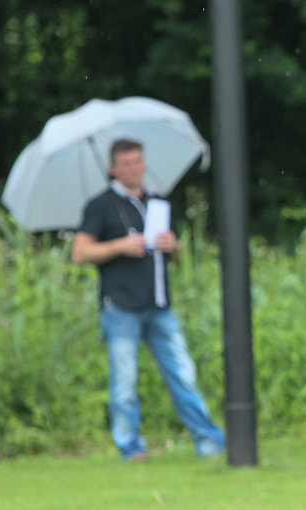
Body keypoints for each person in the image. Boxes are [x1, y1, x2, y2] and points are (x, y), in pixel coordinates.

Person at [71, 138, 225, 461]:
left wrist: (174, 246)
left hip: (159, 306)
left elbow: (175, 254)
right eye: (127, 163)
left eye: (138, 162)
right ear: (113, 168)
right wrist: (119, 247)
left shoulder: (157, 202)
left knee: (183, 374)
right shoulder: (100, 205)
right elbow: (80, 252)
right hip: (121, 307)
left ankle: (210, 442)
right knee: (124, 382)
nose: (134, 169)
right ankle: (131, 448)